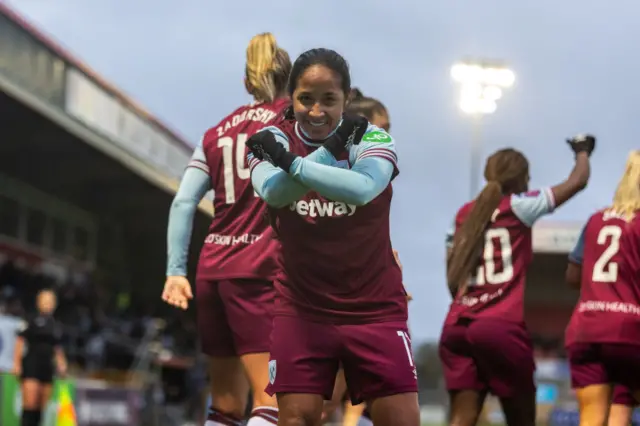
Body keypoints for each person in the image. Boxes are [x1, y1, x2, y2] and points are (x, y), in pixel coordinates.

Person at [245, 48, 419, 426]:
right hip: (302, 308)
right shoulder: (270, 137)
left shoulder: (373, 139)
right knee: (296, 419)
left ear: (348, 98)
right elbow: (275, 193)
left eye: (329, 99)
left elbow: (361, 189)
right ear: (291, 98)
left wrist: (291, 162)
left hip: (374, 308)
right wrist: (331, 148)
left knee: (402, 421)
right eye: (306, 99)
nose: (317, 110)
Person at [162, 32, 291, 426]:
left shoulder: (214, 134)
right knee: (272, 405)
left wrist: (174, 272)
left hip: (212, 271)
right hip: (258, 271)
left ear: (246, 82)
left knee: (226, 407)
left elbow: (184, 202)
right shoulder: (291, 122)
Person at [439, 135, 595, 426]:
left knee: (461, 418)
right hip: (499, 328)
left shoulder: (462, 214)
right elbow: (578, 181)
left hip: (456, 326)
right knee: (522, 420)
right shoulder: (520, 205)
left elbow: (452, 276)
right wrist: (583, 152)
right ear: (522, 179)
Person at [564, 150, 640, 426]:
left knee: (592, 420)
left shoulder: (596, 220)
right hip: (631, 331)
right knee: (620, 411)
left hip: (588, 329)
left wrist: (602, 289)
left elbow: (572, 275)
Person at [12, 289, 67, 426]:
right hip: (32, 364)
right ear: (39, 302)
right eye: (45, 300)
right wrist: (17, 363)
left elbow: (57, 347)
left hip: (47, 366)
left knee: (41, 410)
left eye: (51, 301)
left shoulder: (56, 324)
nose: (48, 304)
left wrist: (61, 364)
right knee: (30, 405)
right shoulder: (30, 319)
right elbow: (20, 342)